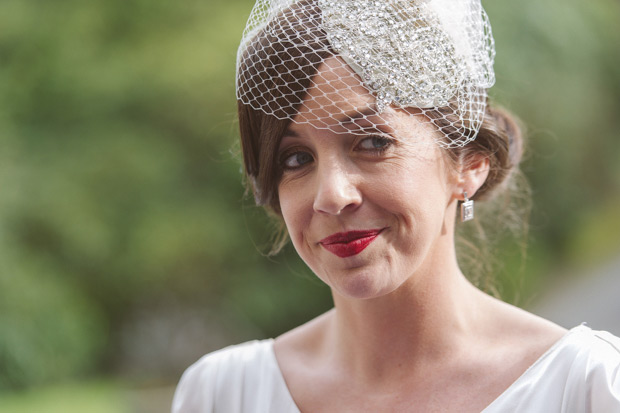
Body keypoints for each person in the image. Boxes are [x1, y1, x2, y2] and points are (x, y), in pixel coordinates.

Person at [172, 0, 620, 411]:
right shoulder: (220, 395)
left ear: (468, 164)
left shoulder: (585, 387)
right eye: (296, 158)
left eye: (371, 142)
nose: (332, 195)